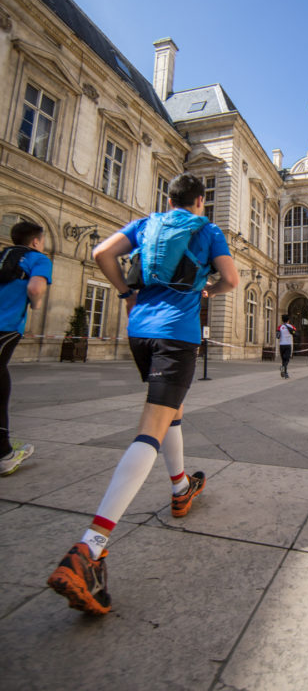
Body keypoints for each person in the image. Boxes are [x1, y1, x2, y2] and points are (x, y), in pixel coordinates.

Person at [47, 173, 238, 615]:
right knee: (151, 427)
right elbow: (230, 278)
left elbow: (101, 253)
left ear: (168, 198)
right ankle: (89, 548)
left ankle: (180, 487)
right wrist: (207, 287)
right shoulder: (207, 230)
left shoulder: (146, 223)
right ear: (200, 200)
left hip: (140, 332)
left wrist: (127, 292)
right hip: (177, 334)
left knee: (170, 411)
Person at [0, 221, 52, 476]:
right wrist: (37, 303)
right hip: (5, 326)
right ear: (35, 241)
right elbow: (35, 287)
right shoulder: (37, 259)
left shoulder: (3, 256)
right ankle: (4, 454)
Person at [277, 314, 296, 378]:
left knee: (283, 360)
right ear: (288, 320)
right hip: (288, 344)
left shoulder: (280, 327)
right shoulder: (291, 326)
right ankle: (283, 369)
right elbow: (295, 332)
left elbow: (277, 336)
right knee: (287, 359)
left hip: (281, 345)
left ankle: (285, 373)